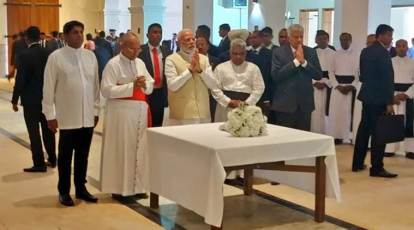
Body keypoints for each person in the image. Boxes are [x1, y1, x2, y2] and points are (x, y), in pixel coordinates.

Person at [42, 20, 101, 206]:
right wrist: (49, 115)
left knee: (83, 156)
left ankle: (81, 189)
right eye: (75, 32)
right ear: (65, 36)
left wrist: (96, 110)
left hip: (87, 116)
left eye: (81, 32)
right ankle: (64, 191)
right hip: (67, 117)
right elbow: (48, 88)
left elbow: (95, 87)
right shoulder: (56, 57)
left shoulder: (90, 57)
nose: (79, 35)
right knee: (66, 158)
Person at [100, 32, 154, 200]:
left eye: (138, 48)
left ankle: (138, 186)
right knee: (123, 150)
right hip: (121, 114)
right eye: (132, 48)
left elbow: (150, 83)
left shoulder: (140, 62)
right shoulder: (113, 64)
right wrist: (132, 86)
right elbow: (106, 90)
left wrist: (145, 84)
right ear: (122, 46)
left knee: (140, 150)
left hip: (139, 111)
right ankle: (120, 188)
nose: (136, 52)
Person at [352, 24, 397, 178]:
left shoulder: (365, 51)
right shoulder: (383, 53)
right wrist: (389, 102)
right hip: (379, 99)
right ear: (382, 35)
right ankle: (377, 168)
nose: (391, 39)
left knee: (364, 130)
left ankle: (357, 163)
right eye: (390, 35)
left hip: (367, 97)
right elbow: (387, 79)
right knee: (379, 134)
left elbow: (363, 76)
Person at [11, 26, 56, 173]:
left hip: (30, 100)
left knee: (34, 132)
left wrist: (14, 99)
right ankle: (52, 159)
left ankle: (39, 164)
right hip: (47, 99)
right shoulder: (50, 53)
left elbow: (20, 79)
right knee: (48, 129)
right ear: (40, 37)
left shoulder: (24, 55)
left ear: (26, 38)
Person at [270, 24, 322, 131]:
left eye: (301, 37)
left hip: (305, 105)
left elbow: (318, 75)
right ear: (289, 38)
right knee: (285, 140)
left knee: (303, 141)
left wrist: (304, 62)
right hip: (284, 105)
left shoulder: (311, 52)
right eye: (295, 37)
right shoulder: (278, 52)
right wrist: (295, 62)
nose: (299, 40)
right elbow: (276, 76)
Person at [164, 29, 216, 125]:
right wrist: (190, 70)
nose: (192, 42)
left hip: (203, 113)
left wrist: (200, 71)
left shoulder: (204, 59)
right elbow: (172, 85)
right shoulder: (171, 59)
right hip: (182, 115)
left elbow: (213, 85)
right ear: (178, 43)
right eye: (187, 40)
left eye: (193, 39)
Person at [212, 38, 264, 122]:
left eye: (241, 54)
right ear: (230, 53)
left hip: (247, 107)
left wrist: (247, 103)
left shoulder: (254, 68)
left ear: (246, 53)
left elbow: (259, 88)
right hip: (225, 106)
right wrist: (228, 101)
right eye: (235, 53)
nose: (238, 56)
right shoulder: (220, 68)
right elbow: (214, 88)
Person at [384, 39, 414, 160]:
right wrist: (392, 96)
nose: (401, 48)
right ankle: (390, 148)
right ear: (395, 48)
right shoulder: (389, 62)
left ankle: (410, 149)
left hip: (408, 96)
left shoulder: (413, 62)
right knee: (392, 121)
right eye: (399, 46)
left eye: (404, 46)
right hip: (393, 95)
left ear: (407, 48)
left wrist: (407, 94)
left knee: (410, 122)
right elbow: (385, 81)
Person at [328, 33, 359, 143]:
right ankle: (337, 136)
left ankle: (350, 136)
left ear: (350, 40)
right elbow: (330, 72)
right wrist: (337, 85)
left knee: (350, 113)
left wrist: (352, 85)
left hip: (351, 87)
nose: (343, 42)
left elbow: (359, 74)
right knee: (336, 113)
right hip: (338, 88)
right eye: (341, 40)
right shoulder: (335, 54)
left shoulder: (356, 55)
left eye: (346, 39)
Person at [138, 23, 171, 127]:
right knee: (145, 121)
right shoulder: (140, 51)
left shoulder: (167, 51)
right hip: (146, 91)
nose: (158, 35)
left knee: (159, 122)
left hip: (161, 92)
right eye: (155, 32)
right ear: (147, 35)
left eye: (160, 33)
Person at [312, 30, 336, 134]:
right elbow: (307, 69)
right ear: (316, 40)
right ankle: (313, 131)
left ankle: (327, 132)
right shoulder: (311, 52)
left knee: (328, 109)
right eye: (319, 38)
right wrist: (314, 82)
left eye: (324, 39)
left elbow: (335, 71)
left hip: (329, 84)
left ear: (328, 40)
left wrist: (327, 83)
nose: (322, 41)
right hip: (314, 83)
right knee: (315, 110)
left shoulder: (334, 53)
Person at [246, 30, 273, 117]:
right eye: (251, 38)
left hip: (263, 94)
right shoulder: (246, 53)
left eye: (255, 37)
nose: (252, 40)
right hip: (248, 92)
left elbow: (269, 77)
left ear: (261, 38)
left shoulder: (269, 54)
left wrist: (267, 98)